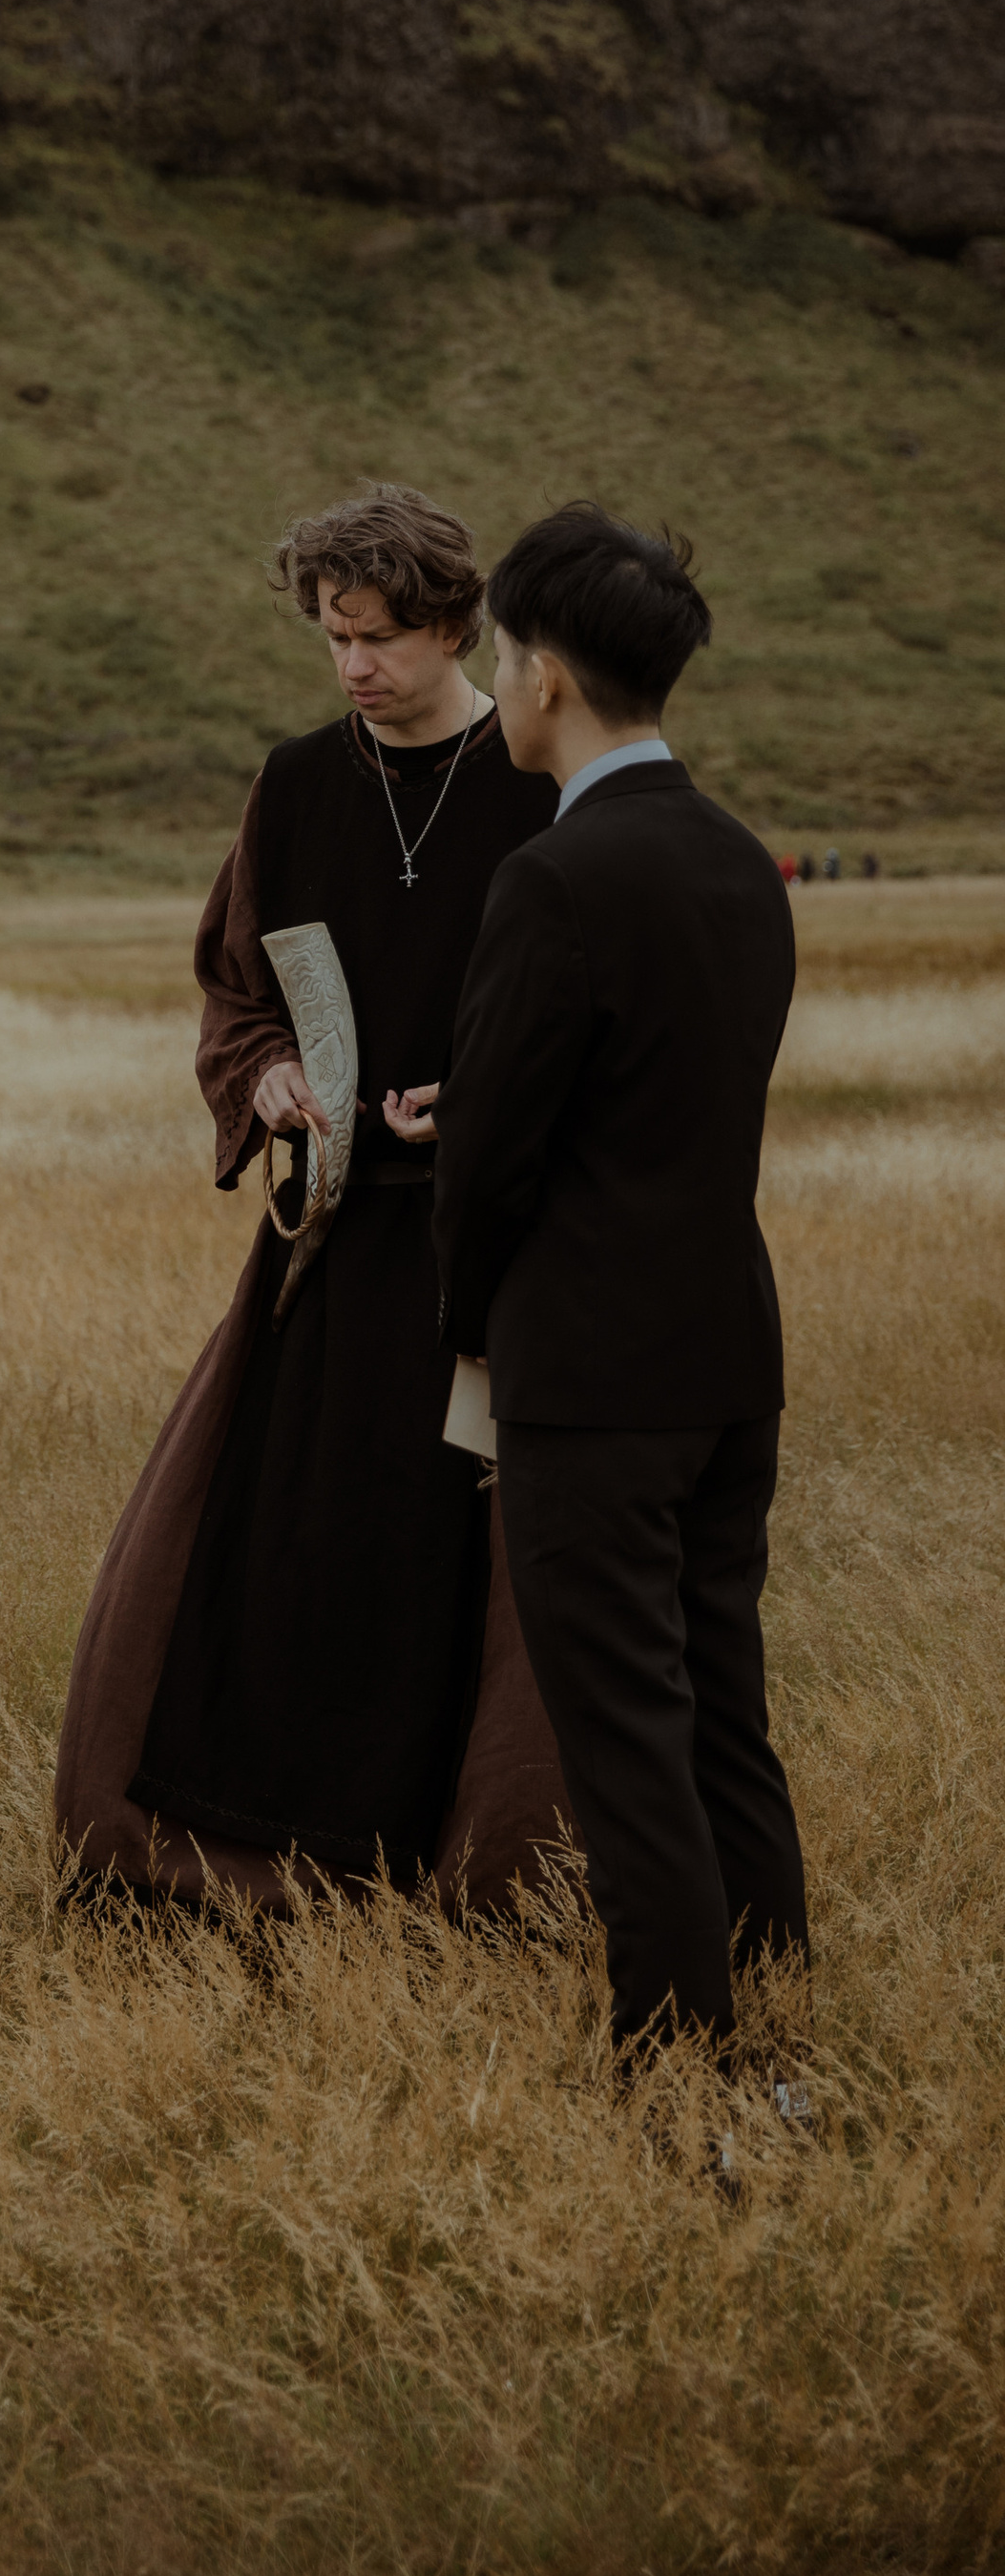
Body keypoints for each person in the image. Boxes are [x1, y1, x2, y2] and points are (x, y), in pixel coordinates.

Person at [57, 486, 570, 1916]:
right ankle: (264, 1871)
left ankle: (473, 1878)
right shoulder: (292, 786)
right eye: (335, 637)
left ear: (459, 623)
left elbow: (604, 1016)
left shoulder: (537, 778)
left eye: (384, 637)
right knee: (288, 1560)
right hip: (334, 1247)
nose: (356, 665)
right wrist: (271, 1079)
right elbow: (233, 993)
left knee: (465, 1575)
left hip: (496, 1258)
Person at [431, 508, 808, 2059]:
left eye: (506, 657)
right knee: (724, 1707)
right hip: (727, 1349)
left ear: (542, 677)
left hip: (589, 1377)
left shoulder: (556, 878)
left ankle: (681, 2068)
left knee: (624, 1740)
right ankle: (777, 2020)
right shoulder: (739, 861)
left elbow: (493, 1166)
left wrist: (468, 1336)